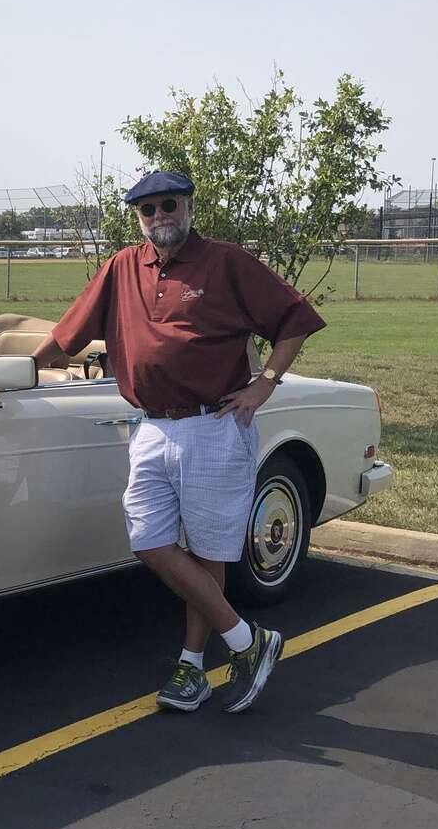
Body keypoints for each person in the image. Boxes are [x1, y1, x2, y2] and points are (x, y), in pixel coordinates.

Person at [32, 170, 326, 715]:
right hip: (151, 425)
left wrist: (264, 385)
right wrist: (20, 367)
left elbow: (294, 320)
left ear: (188, 205)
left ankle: (192, 669)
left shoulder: (227, 262)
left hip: (213, 425)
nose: (159, 215)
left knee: (208, 551)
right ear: (138, 217)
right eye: (147, 210)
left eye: (169, 204)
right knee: (150, 541)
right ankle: (246, 642)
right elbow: (65, 335)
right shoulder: (122, 267)